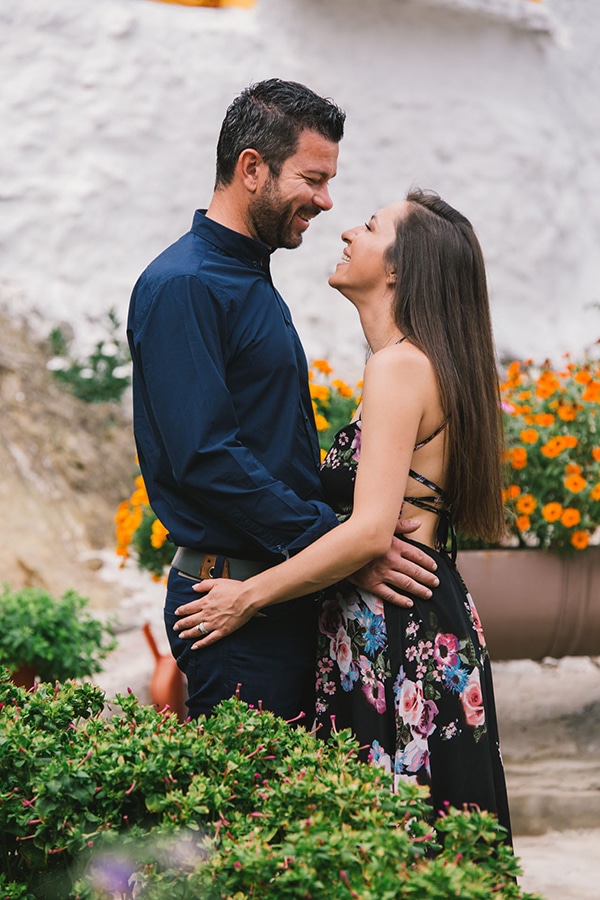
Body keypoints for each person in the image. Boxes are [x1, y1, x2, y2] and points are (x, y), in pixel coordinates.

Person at [173, 189, 512, 837]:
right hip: (405, 615)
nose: (348, 231)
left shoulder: (399, 367)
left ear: (399, 269)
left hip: (398, 628)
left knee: (391, 839)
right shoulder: (421, 364)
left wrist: (247, 596)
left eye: (373, 226)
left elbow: (368, 533)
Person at [127, 80, 438, 724]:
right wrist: (345, 544)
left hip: (276, 587)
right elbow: (206, 458)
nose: (326, 201)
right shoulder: (185, 285)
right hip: (233, 598)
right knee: (253, 816)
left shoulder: (247, 278)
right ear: (251, 168)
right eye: (313, 178)